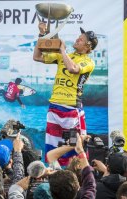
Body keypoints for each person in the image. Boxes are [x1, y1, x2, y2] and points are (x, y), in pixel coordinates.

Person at [33, 22, 98, 166]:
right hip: (54, 105)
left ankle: (78, 177)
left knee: (76, 146)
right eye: (78, 37)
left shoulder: (88, 62)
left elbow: (73, 69)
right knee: (52, 144)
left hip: (71, 108)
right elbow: (37, 56)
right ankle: (53, 174)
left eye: (80, 39)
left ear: (88, 46)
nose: (77, 40)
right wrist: (42, 35)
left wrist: (62, 51)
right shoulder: (66, 55)